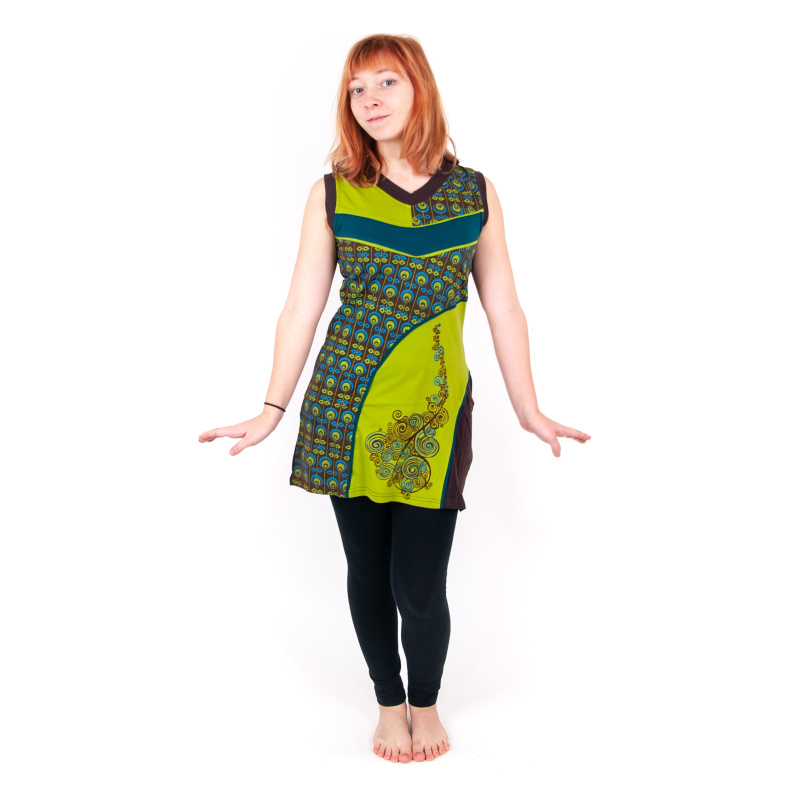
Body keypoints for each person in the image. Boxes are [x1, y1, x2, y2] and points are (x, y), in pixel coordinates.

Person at [198, 33, 591, 764]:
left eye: (386, 82)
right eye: (356, 88)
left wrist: (530, 409)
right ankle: (388, 703)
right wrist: (271, 410)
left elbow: (504, 307)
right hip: (344, 407)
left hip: (435, 415)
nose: (369, 99)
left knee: (421, 584)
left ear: (420, 89)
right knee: (367, 573)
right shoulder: (333, 192)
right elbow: (300, 308)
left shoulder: (474, 192)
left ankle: (426, 702)